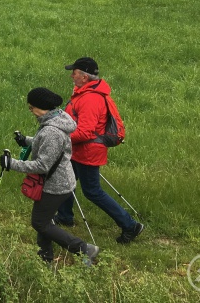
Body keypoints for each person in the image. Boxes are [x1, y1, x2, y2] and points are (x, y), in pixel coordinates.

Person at [3, 87, 100, 265]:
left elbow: (42, 165)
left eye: (32, 107)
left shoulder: (51, 131)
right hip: (60, 180)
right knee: (45, 220)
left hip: (55, 185)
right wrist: (26, 140)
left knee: (40, 223)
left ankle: (84, 249)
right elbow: (47, 145)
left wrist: (11, 163)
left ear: (42, 107)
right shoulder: (56, 119)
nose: (30, 111)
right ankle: (45, 257)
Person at [55, 57, 144, 244]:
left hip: (87, 152)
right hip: (78, 150)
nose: (71, 76)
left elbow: (85, 132)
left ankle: (130, 225)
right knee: (65, 180)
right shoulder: (85, 93)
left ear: (85, 77)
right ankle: (64, 216)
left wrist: (60, 138)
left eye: (74, 73)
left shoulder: (91, 99)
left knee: (92, 191)